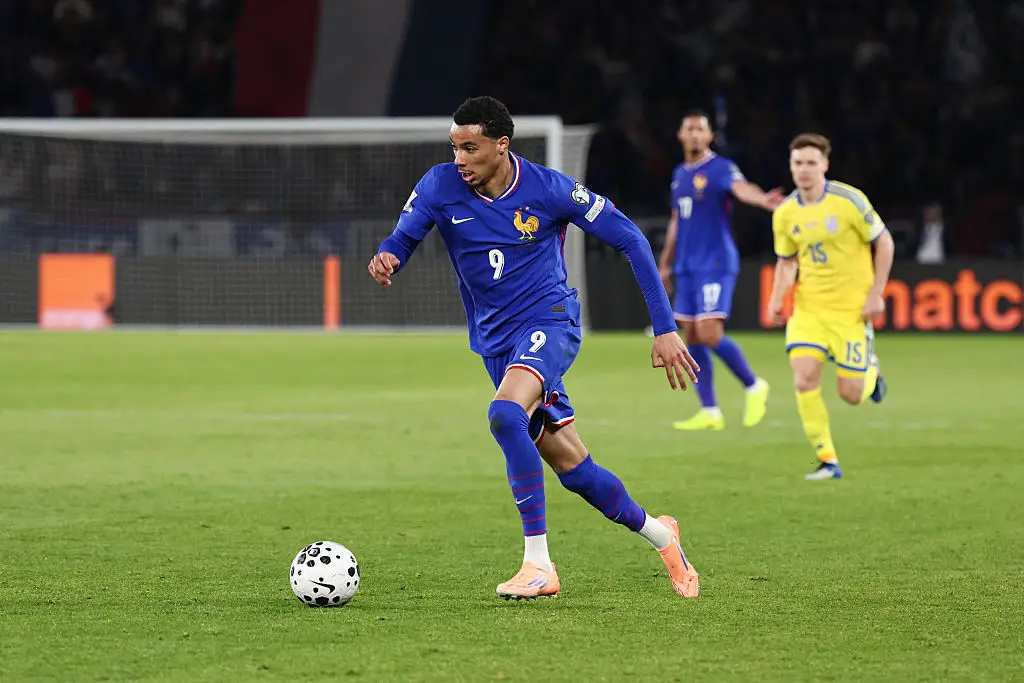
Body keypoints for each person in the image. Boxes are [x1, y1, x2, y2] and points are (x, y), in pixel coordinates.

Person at [368, 96, 702, 599]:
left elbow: (631, 238)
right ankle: (663, 536)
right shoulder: (440, 184)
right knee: (574, 469)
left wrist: (665, 327)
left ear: (501, 145)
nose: (460, 159)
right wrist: (388, 257)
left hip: (550, 321)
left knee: (505, 415)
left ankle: (539, 566)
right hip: (496, 343)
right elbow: (404, 235)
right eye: (454, 147)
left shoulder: (549, 189)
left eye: (470, 148)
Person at [768, 133, 895, 480]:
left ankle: (872, 374)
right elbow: (787, 261)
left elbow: (884, 243)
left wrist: (876, 293)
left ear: (825, 164)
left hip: (851, 312)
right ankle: (828, 460)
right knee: (804, 379)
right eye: (798, 163)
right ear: (791, 167)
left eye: (811, 162)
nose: (804, 170)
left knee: (851, 394)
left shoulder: (849, 200)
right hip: (809, 310)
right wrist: (777, 299)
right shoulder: (786, 213)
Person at [658, 111, 782, 431]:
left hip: (715, 261)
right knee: (692, 334)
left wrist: (764, 200)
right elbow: (676, 221)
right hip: (686, 264)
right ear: (680, 136)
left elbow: (743, 189)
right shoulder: (678, 175)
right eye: (690, 129)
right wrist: (665, 264)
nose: (696, 135)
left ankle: (755, 385)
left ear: (710, 136)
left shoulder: (721, 168)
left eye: (701, 129)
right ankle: (710, 410)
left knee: (710, 332)